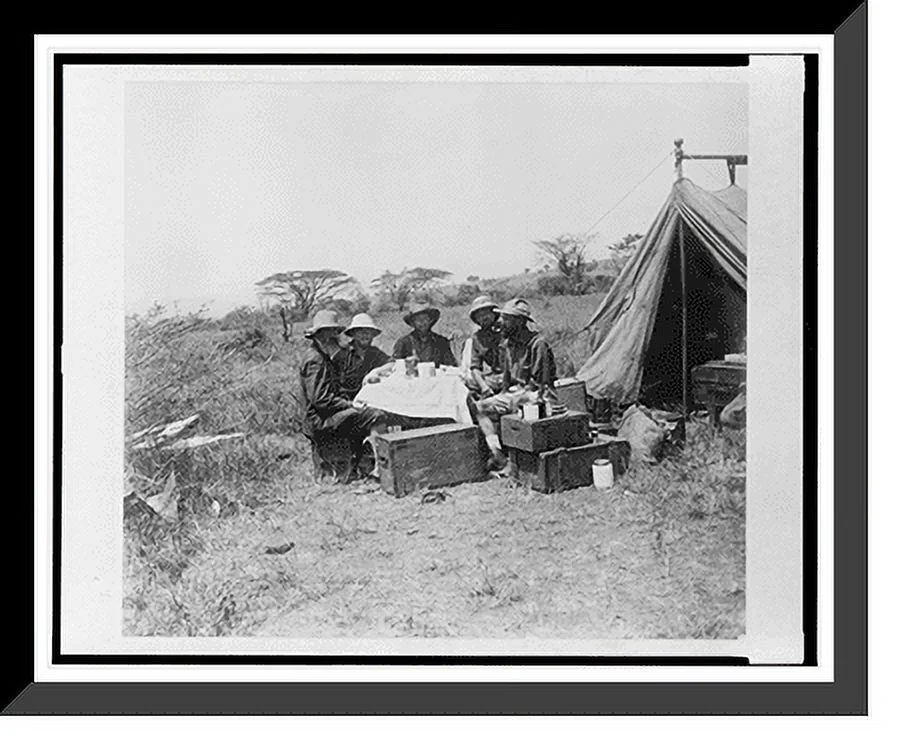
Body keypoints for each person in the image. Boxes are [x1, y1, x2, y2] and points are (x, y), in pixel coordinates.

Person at [473, 298, 558, 471]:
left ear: (519, 322)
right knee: (480, 407)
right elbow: (506, 380)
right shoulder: (508, 343)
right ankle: (497, 453)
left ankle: (513, 459)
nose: (501, 323)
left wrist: (512, 398)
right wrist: (503, 395)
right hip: (518, 393)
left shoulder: (537, 344)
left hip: (538, 396)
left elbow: (540, 385)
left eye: (507, 319)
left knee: (513, 405)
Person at [298, 309, 385, 473]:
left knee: (361, 413)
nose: (332, 336)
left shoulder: (322, 356)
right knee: (376, 415)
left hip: (322, 414)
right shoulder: (316, 360)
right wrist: (349, 404)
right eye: (328, 332)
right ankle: (375, 462)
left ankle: (364, 460)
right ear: (319, 334)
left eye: (334, 332)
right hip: (318, 420)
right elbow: (321, 399)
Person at [334, 313, 392, 401]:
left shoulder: (375, 353)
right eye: (361, 332)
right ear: (353, 334)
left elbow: (392, 363)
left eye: (368, 332)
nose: (365, 335)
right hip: (347, 402)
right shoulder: (342, 356)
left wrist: (376, 371)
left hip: (371, 399)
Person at [391, 298, 457, 367]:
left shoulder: (441, 341)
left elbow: (451, 365)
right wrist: (407, 362)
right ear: (413, 323)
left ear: (430, 320)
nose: (422, 322)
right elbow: (394, 365)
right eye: (418, 320)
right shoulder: (403, 342)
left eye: (425, 319)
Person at [465, 295, 504, 398]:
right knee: (469, 381)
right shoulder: (477, 338)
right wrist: (483, 386)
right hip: (494, 377)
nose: (484, 317)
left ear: (494, 313)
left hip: (512, 376)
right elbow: (475, 367)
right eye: (480, 315)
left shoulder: (505, 330)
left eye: (487, 313)